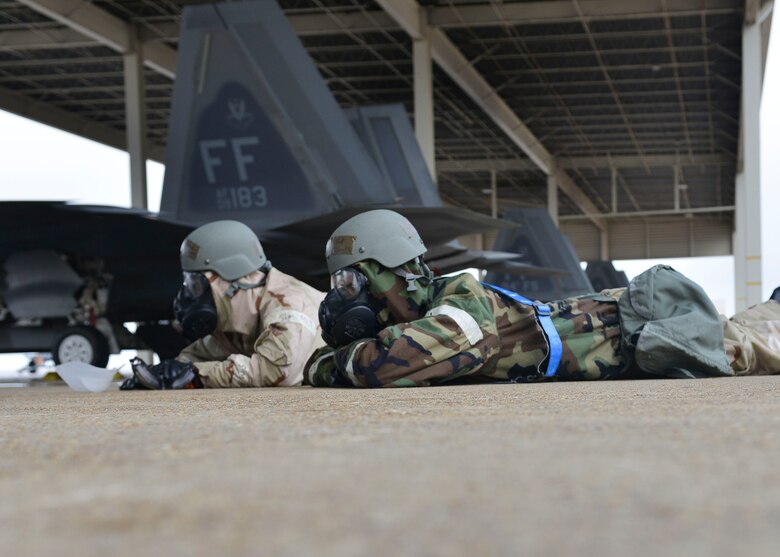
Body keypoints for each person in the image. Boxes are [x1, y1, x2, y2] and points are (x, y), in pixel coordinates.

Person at [306, 209, 780, 388]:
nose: (347, 297)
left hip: (650, 328)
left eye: (352, 282)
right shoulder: (428, 311)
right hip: (627, 323)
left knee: (759, 348)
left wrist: (326, 364)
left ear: (390, 271)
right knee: (756, 321)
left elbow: (389, 365)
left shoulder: (460, 299)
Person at [122, 220, 325, 389]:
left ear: (232, 279)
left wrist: (195, 376)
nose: (191, 295)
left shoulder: (288, 306)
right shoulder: (238, 316)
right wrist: (163, 374)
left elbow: (277, 372)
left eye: (197, 285)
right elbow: (197, 355)